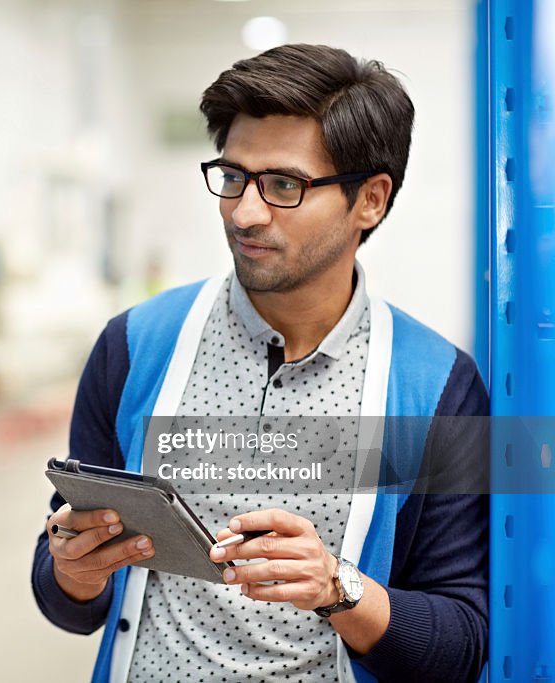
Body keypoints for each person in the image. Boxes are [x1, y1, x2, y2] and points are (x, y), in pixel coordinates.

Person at [31, 44, 488, 683]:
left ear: (371, 200)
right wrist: (71, 572)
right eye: (234, 176)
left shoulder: (436, 387)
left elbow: (460, 644)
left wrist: (338, 588)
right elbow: (68, 599)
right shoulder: (136, 344)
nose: (245, 213)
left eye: (283, 185)